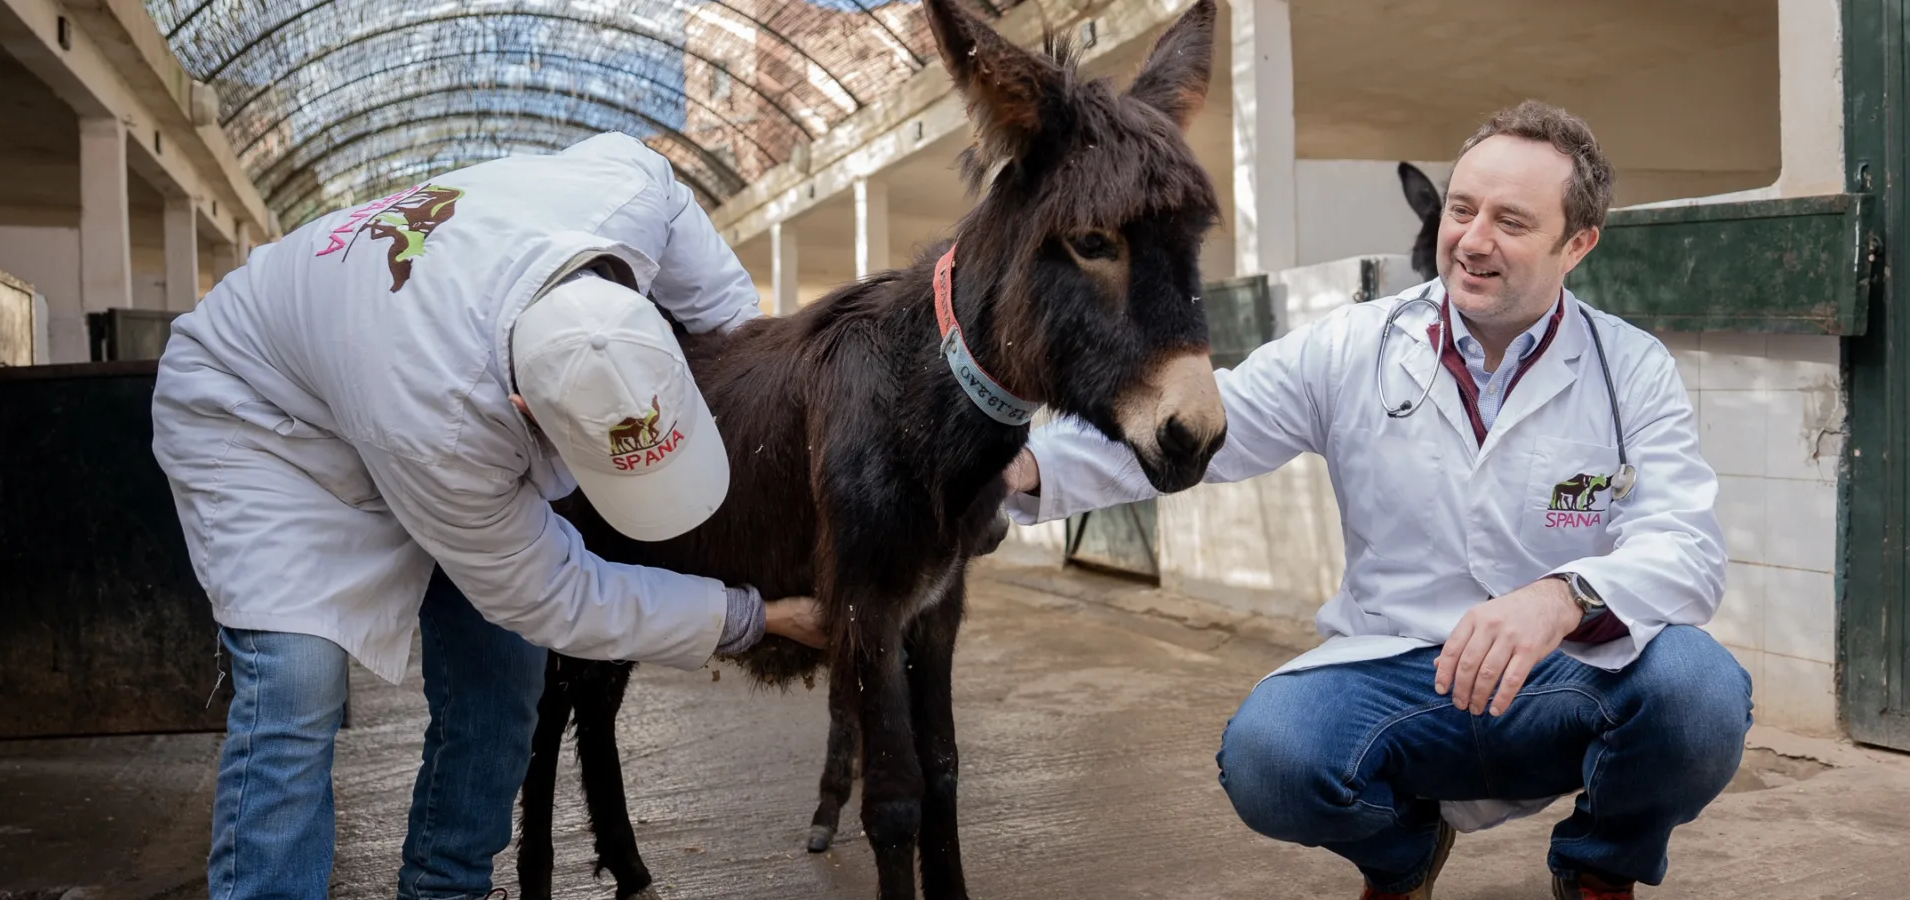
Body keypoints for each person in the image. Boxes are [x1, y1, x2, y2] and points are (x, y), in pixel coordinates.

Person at [998, 100, 1751, 900]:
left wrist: (1562, 598)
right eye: (1462, 209)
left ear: (1578, 244)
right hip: (1400, 675)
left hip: (1559, 675)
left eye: (1512, 221)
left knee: (1698, 691)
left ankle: (1600, 866)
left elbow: (1688, 546)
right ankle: (1402, 857)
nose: (1473, 240)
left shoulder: (1629, 367)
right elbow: (1208, 426)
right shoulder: (1354, 344)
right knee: (1272, 757)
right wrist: (1024, 467)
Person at [150, 131, 827, 900]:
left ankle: (445, 888)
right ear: (521, 407)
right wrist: (754, 616)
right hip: (263, 420)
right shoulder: (448, 432)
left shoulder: (626, 200)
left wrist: (735, 344)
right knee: (297, 687)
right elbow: (558, 597)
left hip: (390, 370)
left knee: (504, 678)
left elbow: (675, 214)